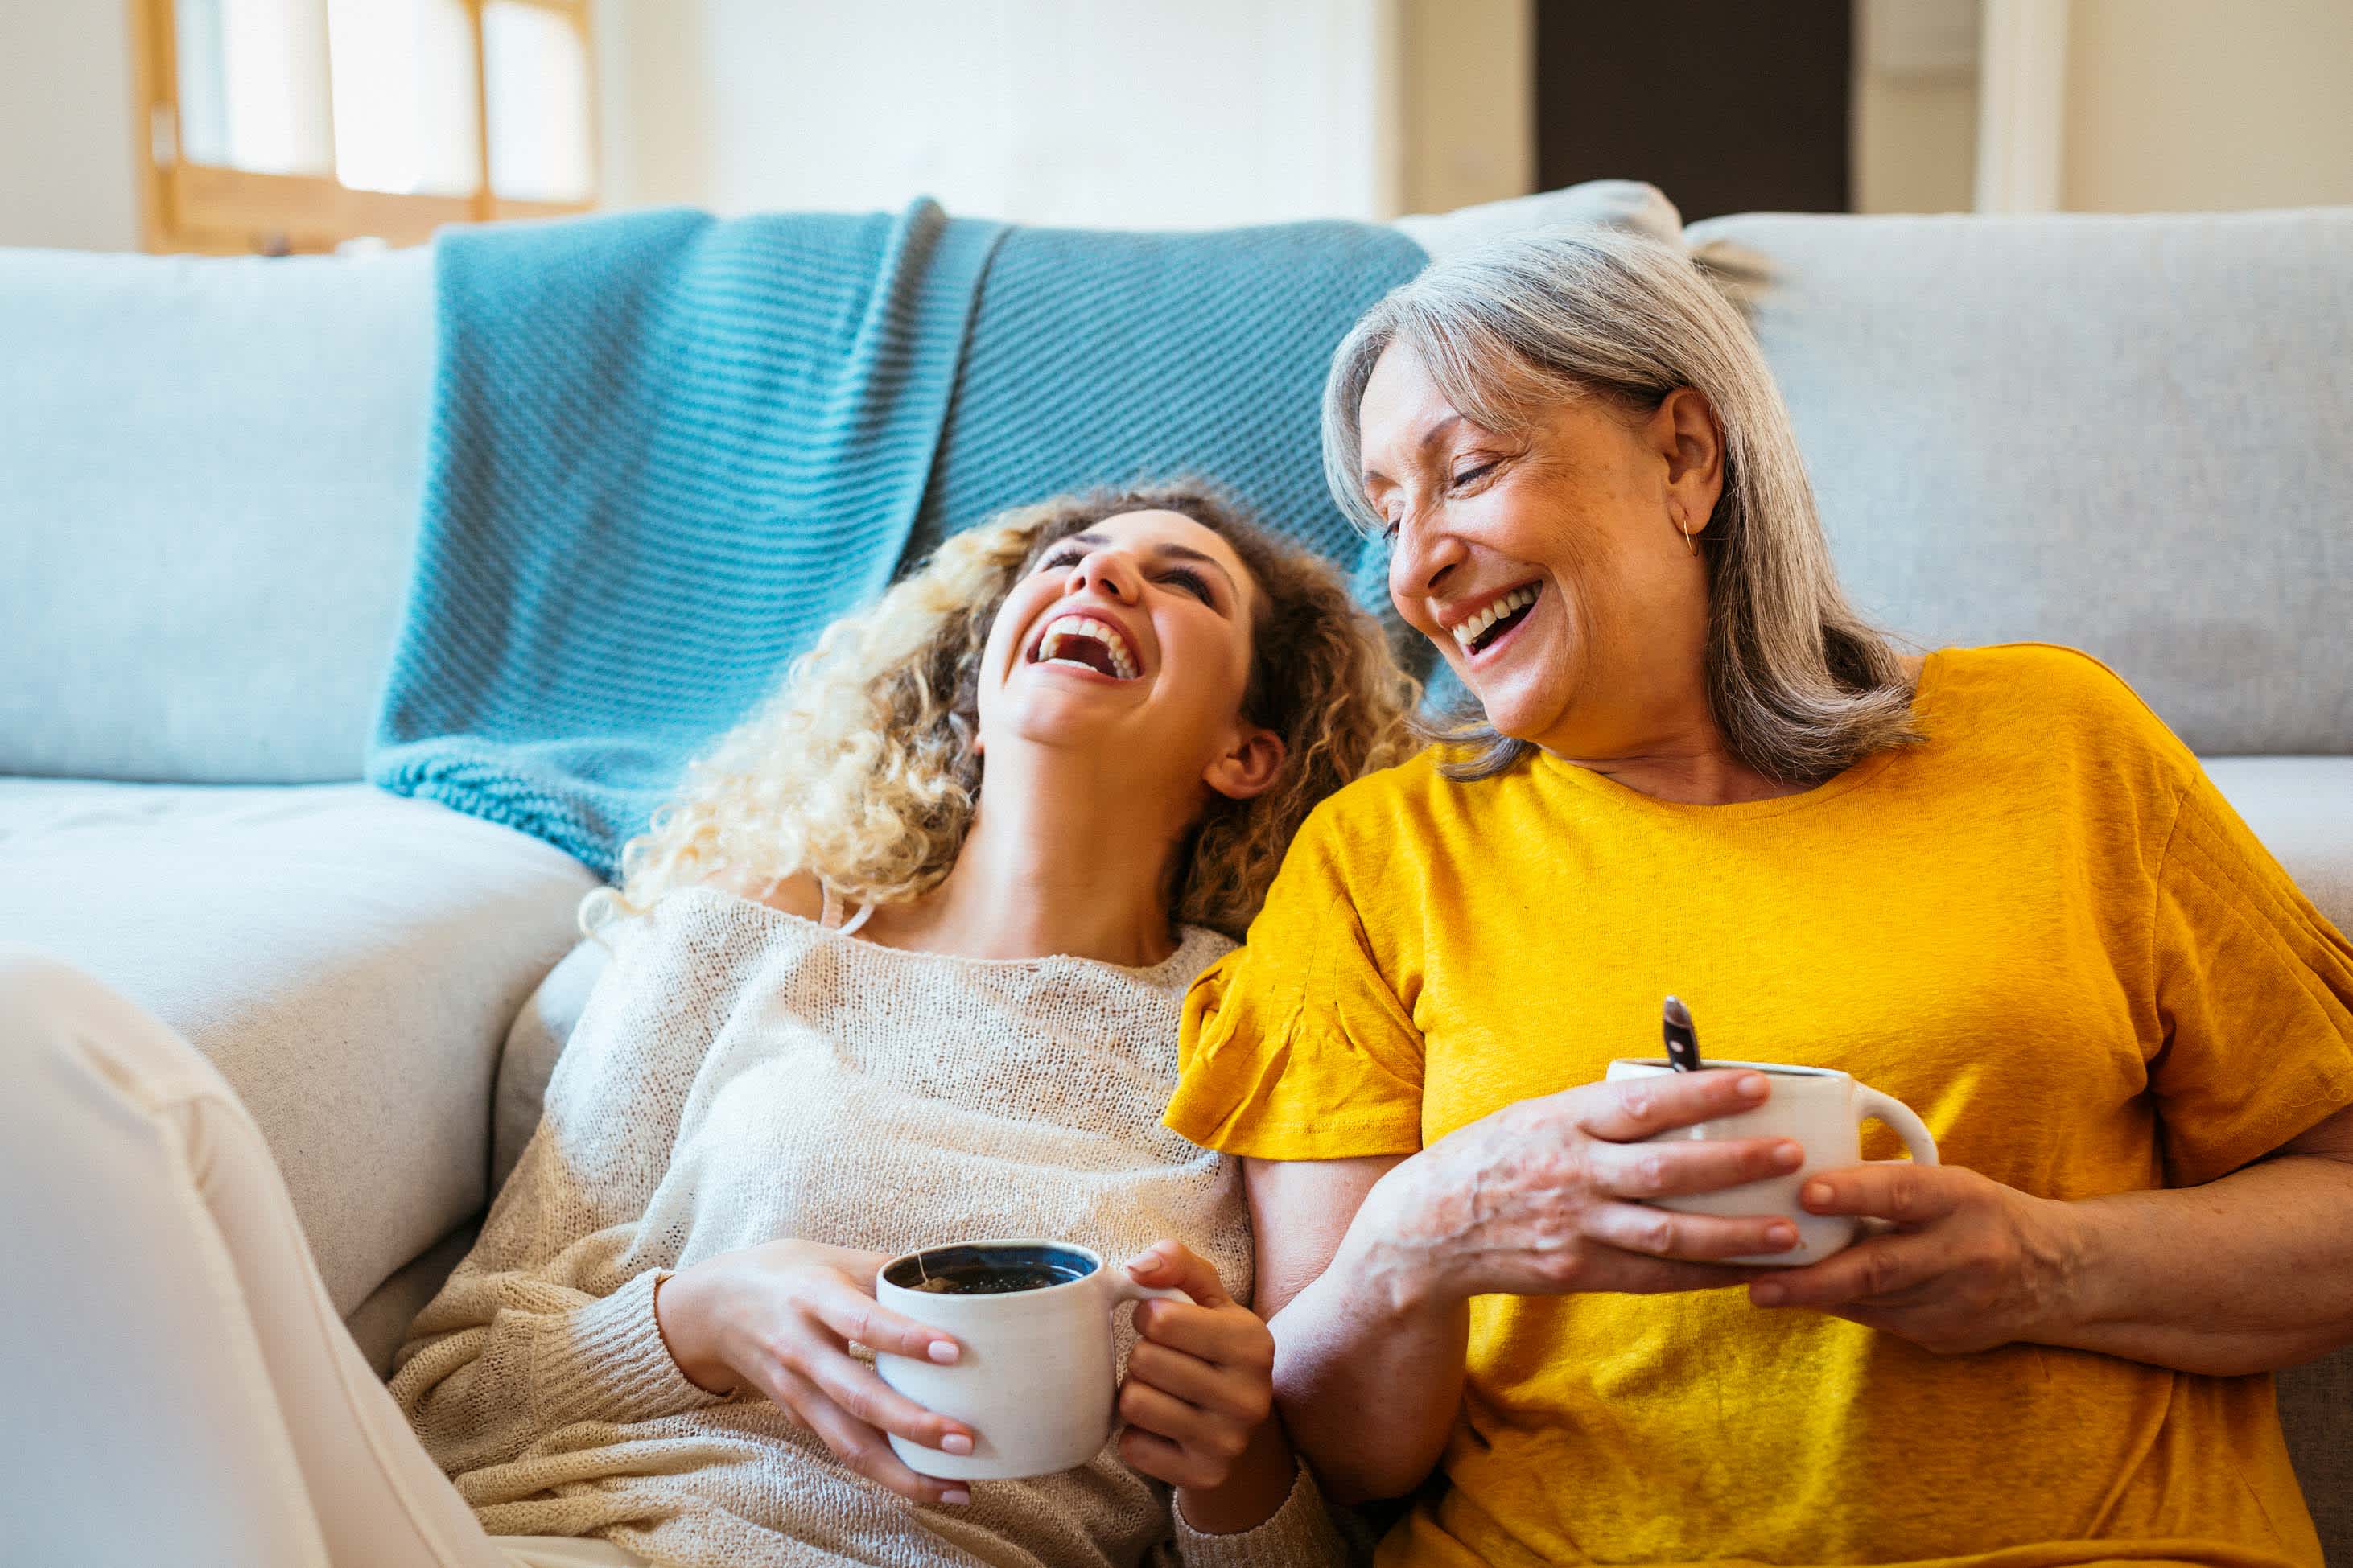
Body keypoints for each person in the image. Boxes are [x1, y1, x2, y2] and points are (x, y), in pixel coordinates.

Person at [1164, 231, 2353, 1568]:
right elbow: (1344, 1448)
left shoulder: (2057, 742)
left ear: (1685, 457)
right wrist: (1425, 1237)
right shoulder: (1379, 857)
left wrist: (2037, 1264)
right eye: (1390, 516)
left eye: (1472, 471)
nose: (1416, 568)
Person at [1, 484, 1416, 1568]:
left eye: (1183, 584)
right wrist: (698, 1321)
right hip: (533, 1545)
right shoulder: (748, 940)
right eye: (1066, 562)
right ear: (975, 700)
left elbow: (1300, 1539)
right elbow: (445, 1398)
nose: (1099, 570)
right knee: (46, 1047)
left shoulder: (1266, 1019)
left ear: (1248, 752)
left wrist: (1238, 1475)